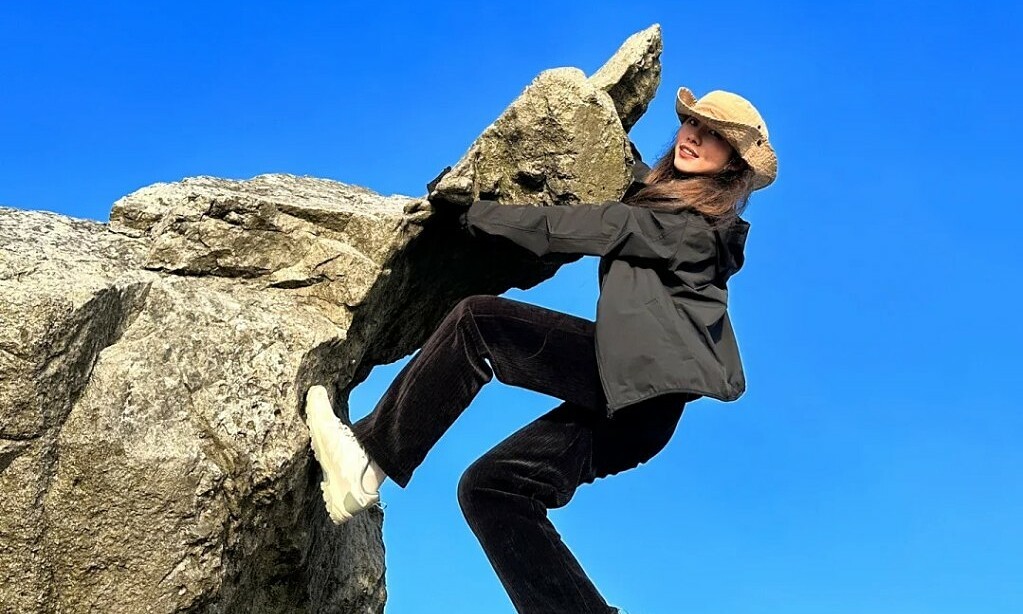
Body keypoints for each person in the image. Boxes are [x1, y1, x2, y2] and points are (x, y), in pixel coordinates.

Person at [304, 86, 778, 614]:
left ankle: (368, 458)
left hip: (642, 393)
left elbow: (596, 226)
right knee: (492, 490)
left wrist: (474, 215)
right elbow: (633, 180)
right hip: (630, 405)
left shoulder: (695, 228)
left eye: (715, 137)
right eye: (693, 123)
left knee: (480, 323)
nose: (694, 136)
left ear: (733, 168)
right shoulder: (667, 202)